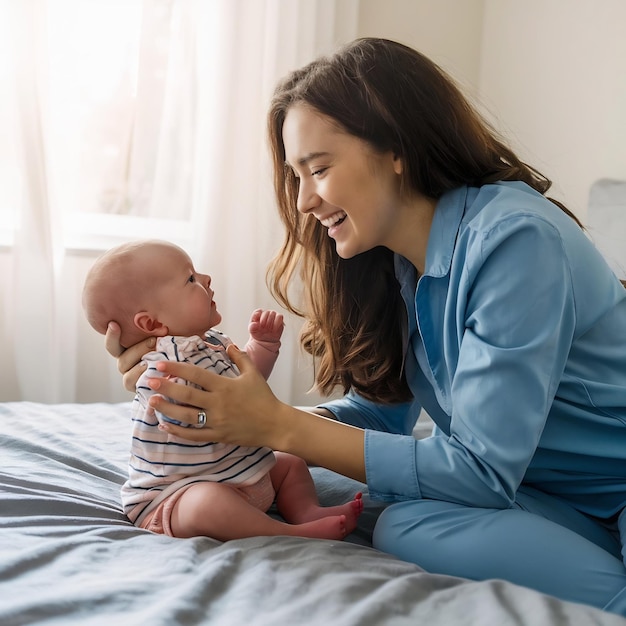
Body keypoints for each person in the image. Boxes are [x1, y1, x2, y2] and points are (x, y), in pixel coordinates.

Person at [104, 39, 626, 615]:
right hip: (542, 491)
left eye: (319, 169)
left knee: (396, 517)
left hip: (597, 483)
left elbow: (478, 471)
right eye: (294, 175)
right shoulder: (398, 260)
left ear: (397, 149)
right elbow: (382, 415)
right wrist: (222, 415)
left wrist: (277, 426)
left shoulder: (515, 240)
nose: (303, 200)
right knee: (386, 516)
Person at [83, 239, 363, 541]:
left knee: (290, 463)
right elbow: (175, 420)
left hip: (243, 473)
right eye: (190, 279)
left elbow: (247, 386)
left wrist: (263, 346)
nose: (205, 279)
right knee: (206, 504)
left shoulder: (213, 341)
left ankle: (306, 511)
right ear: (151, 322)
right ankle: (285, 531)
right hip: (178, 493)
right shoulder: (163, 370)